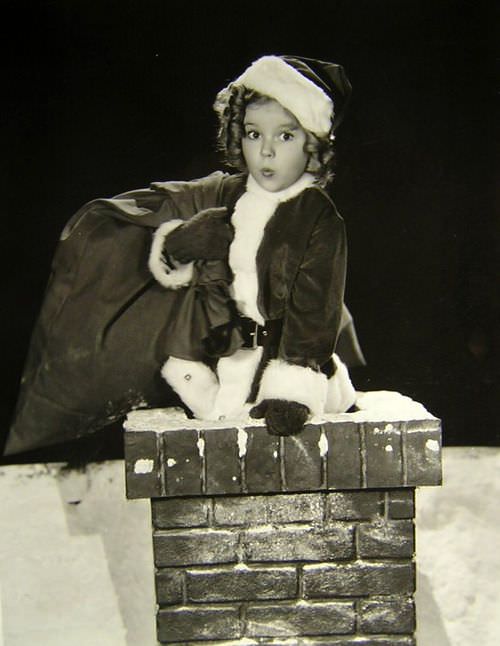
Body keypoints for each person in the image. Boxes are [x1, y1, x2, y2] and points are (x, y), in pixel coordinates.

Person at [4, 54, 364, 455]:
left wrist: (291, 390)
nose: (265, 152)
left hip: (290, 373)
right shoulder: (227, 193)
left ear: (312, 145)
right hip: (231, 363)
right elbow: (197, 275)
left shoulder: (317, 216)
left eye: (285, 136)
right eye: (252, 133)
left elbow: (315, 312)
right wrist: (182, 243)